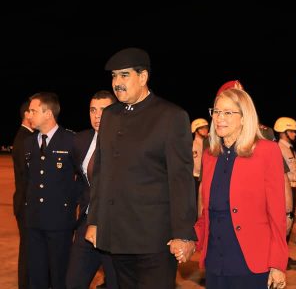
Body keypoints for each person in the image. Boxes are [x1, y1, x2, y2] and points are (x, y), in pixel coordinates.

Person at [85, 47, 197, 289]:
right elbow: (102, 174)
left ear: (143, 77)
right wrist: (95, 221)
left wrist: (184, 234)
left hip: (155, 240)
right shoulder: (110, 116)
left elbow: (181, 180)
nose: (117, 83)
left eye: (124, 75)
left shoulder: (170, 116)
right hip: (117, 235)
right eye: (114, 76)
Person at [190, 88, 288, 289]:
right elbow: (207, 213)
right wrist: (190, 239)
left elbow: (277, 214)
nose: (219, 118)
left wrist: (277, 263)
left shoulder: (267, 151)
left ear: (245, 117)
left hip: (251, 261)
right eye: (216, 112)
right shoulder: (210, 156)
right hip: (215, 261)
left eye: (228, 112)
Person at [24, 92, 78, 289]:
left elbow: (82, 180)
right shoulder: (29, 142)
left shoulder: (71, 140)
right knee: (36, 274)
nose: (28, 114)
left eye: (33, 110)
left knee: (59, 274)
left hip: (59, 222)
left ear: (48, 114)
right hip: (34, 221)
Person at [66, 90, 118, 289]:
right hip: (86, 224)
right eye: (93, 110)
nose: (97, 116)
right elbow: (78, 180)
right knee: (73, 283)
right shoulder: (80, 141)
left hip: (115, 228)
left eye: (103, 110)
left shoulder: (128, 141)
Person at [274, 116, 296, 268]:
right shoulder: (279, 149)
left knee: (289, 224)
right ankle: (279, 258)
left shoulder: (288, 148)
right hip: (286, 188)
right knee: (284, 223)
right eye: (292, 131)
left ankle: (283, 256)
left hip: (293, 186)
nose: (295, 134)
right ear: (283, 132)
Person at [12, 100, 34, 289]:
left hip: (22, 202)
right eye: (33, 111)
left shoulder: (24, 137)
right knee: (28, 251)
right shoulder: (25, 139)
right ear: (27, 114)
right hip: (25, 204)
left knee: (29, 249)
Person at [191, 117, 209, 201]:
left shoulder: (209, 143)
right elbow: (197, 165)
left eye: (206, 127)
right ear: (195, 130)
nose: (205, 130)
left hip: (206, 177)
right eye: (202, 128)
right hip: (196, 178)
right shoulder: (193, 145)